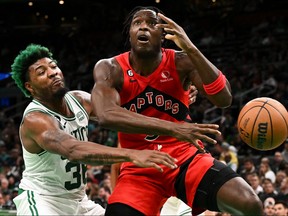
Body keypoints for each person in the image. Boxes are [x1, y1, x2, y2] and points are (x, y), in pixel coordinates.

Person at [91, 6, 263, 216]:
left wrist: (190, 47)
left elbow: (224, 98)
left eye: (152, 23)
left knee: (250, 204)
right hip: (140, 167)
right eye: (137, 23)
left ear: (163, 35)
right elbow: (105, 115)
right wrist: (174, 128)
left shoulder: (181, 61)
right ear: (130, 33)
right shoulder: (110, 68)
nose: (143, 26)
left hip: (185, 158)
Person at [10, 44, 178, 215]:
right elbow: (73, 149)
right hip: (43, 200)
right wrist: (131, 154)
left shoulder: (79, 100)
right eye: (41, 72)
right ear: (30, 87)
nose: (53, 72)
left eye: (53, 66)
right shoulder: (35, 119)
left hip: (79, 202)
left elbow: (125, 113)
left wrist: (175, 99)